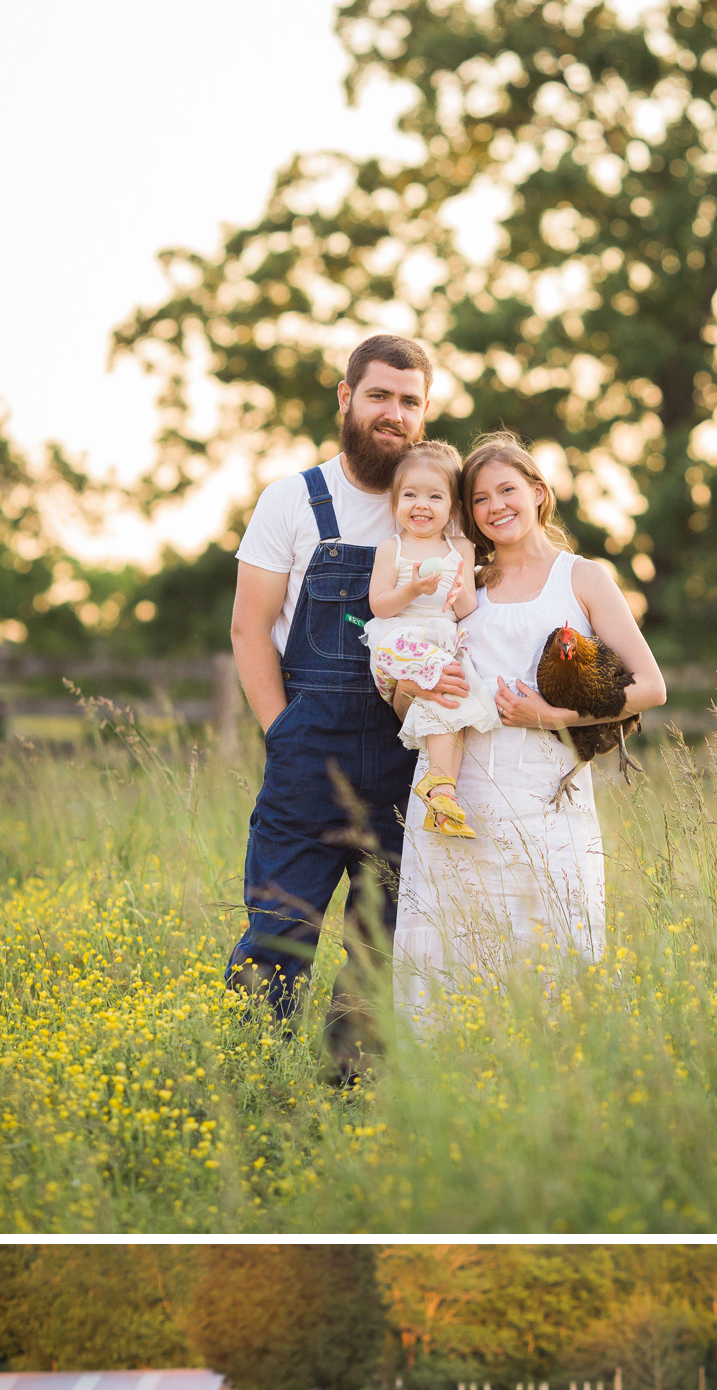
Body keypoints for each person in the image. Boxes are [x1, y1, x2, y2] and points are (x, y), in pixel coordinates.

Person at [226, 333, 462, 1079]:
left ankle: (349, 1097)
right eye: (380, 396)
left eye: (410, 401)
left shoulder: (443, 511)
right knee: (279, 931)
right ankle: (253, 1087)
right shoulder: (294, 499)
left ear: (424, 412)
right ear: (346, 397)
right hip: (309, 757)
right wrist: (283, 730)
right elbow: (249, 627)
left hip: (403, 760)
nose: (394, 413)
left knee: (381, 940)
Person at [392, 431, 666, 1020]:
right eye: (481, 499)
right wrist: (416, 686)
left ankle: (550, 1087)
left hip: (545, 790)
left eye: (508, 490)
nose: (496, 507)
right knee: (452, 944)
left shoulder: (583, 577)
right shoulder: (464, 586)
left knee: (550, 938)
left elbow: (650, 686)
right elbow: (411, 691)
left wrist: (551, 715)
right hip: (455, 788)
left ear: (538, 493)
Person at [366, 440, 499, 837]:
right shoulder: (393, 548)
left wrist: (458, 592)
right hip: (398, 644)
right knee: (447, 679)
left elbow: (466, 608)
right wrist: (414, 590)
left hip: (439, 646)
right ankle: (441, 789)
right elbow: (379, 606)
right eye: (410, 495)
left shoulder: (459, 547)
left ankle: (442, 793)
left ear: (453, 508)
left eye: (434, 496)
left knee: (451, 699)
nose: (421, 505)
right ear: (395, 502)